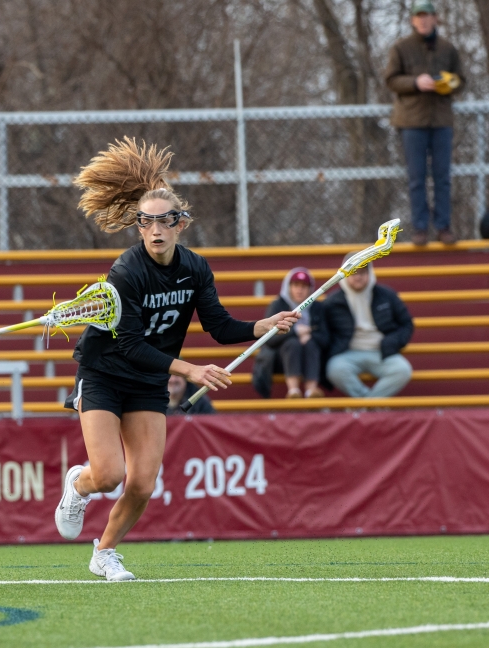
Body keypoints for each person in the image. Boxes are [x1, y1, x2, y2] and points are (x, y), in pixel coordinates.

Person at [54, 138, 298, 581]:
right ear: (140, 228)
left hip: (147, 380)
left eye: (164, 221)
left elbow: (219, 326)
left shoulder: (196, 268)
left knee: (143, 483)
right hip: (105, 372)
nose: (155, 230)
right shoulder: (126, 272)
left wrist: (262, 326)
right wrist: (188, 368)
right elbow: (127, 344)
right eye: (146, 223)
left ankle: (104, 553)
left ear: (180, 223)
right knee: (109, 476)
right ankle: (78, 484)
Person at [384, 1, 463, 246]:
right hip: (411, 122)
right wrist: (416, 83)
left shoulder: (448, 49)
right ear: (412, 20)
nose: (423, 20)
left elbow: (462, 80)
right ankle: (420, 228)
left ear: (435, 19)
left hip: (441, 120)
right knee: (416, 177)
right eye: (419, 16)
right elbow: (391, 79)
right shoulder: (401, 48)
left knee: (442, 176)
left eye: (427, 16)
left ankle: (443, 227)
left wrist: (448, 83)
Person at [316, 254, 414, 399]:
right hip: (347, 354)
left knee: (402, 370)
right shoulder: (332, 302)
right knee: (335, 369)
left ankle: (364, 407)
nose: (358, 277)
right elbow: (324, 333)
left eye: (362, 272)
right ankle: (370, 405)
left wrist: (393, 343)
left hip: (381, 352)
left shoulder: (387, 295)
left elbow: (406, 324)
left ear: (370, 273)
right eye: (353, 272)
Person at [251, 268, 323, 399]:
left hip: (311, 355)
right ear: (288, 287)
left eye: (304, 286)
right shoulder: (277, 305)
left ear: (310, 289)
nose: (299, 290)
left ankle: (311, 391)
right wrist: (295, 332)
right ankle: (293, 390)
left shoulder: (318, 308)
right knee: (292, 344)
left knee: (311, 344)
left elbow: (326, 338)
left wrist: (310, 336)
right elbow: (269, 340)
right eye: (296, 285)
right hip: (280, 359)